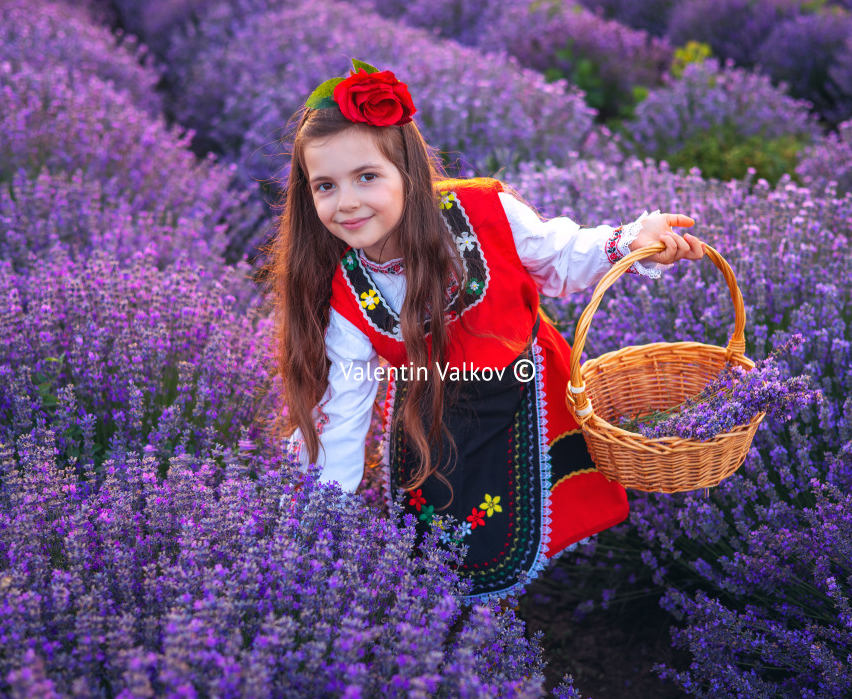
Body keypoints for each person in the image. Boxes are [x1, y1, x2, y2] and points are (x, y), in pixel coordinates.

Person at [269, 60, 705, 608]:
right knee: (446, 530)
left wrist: (632, 239)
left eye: (367, 176)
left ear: (407, 170)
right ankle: (461, 626)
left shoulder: (482, 211)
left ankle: (506, 618)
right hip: (434, 415)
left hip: (524, 391)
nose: (347, 201)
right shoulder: (347, 293)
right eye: (325, 186)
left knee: (523, 511)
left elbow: (559, 255)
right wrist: (320, 520)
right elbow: (344, 404)